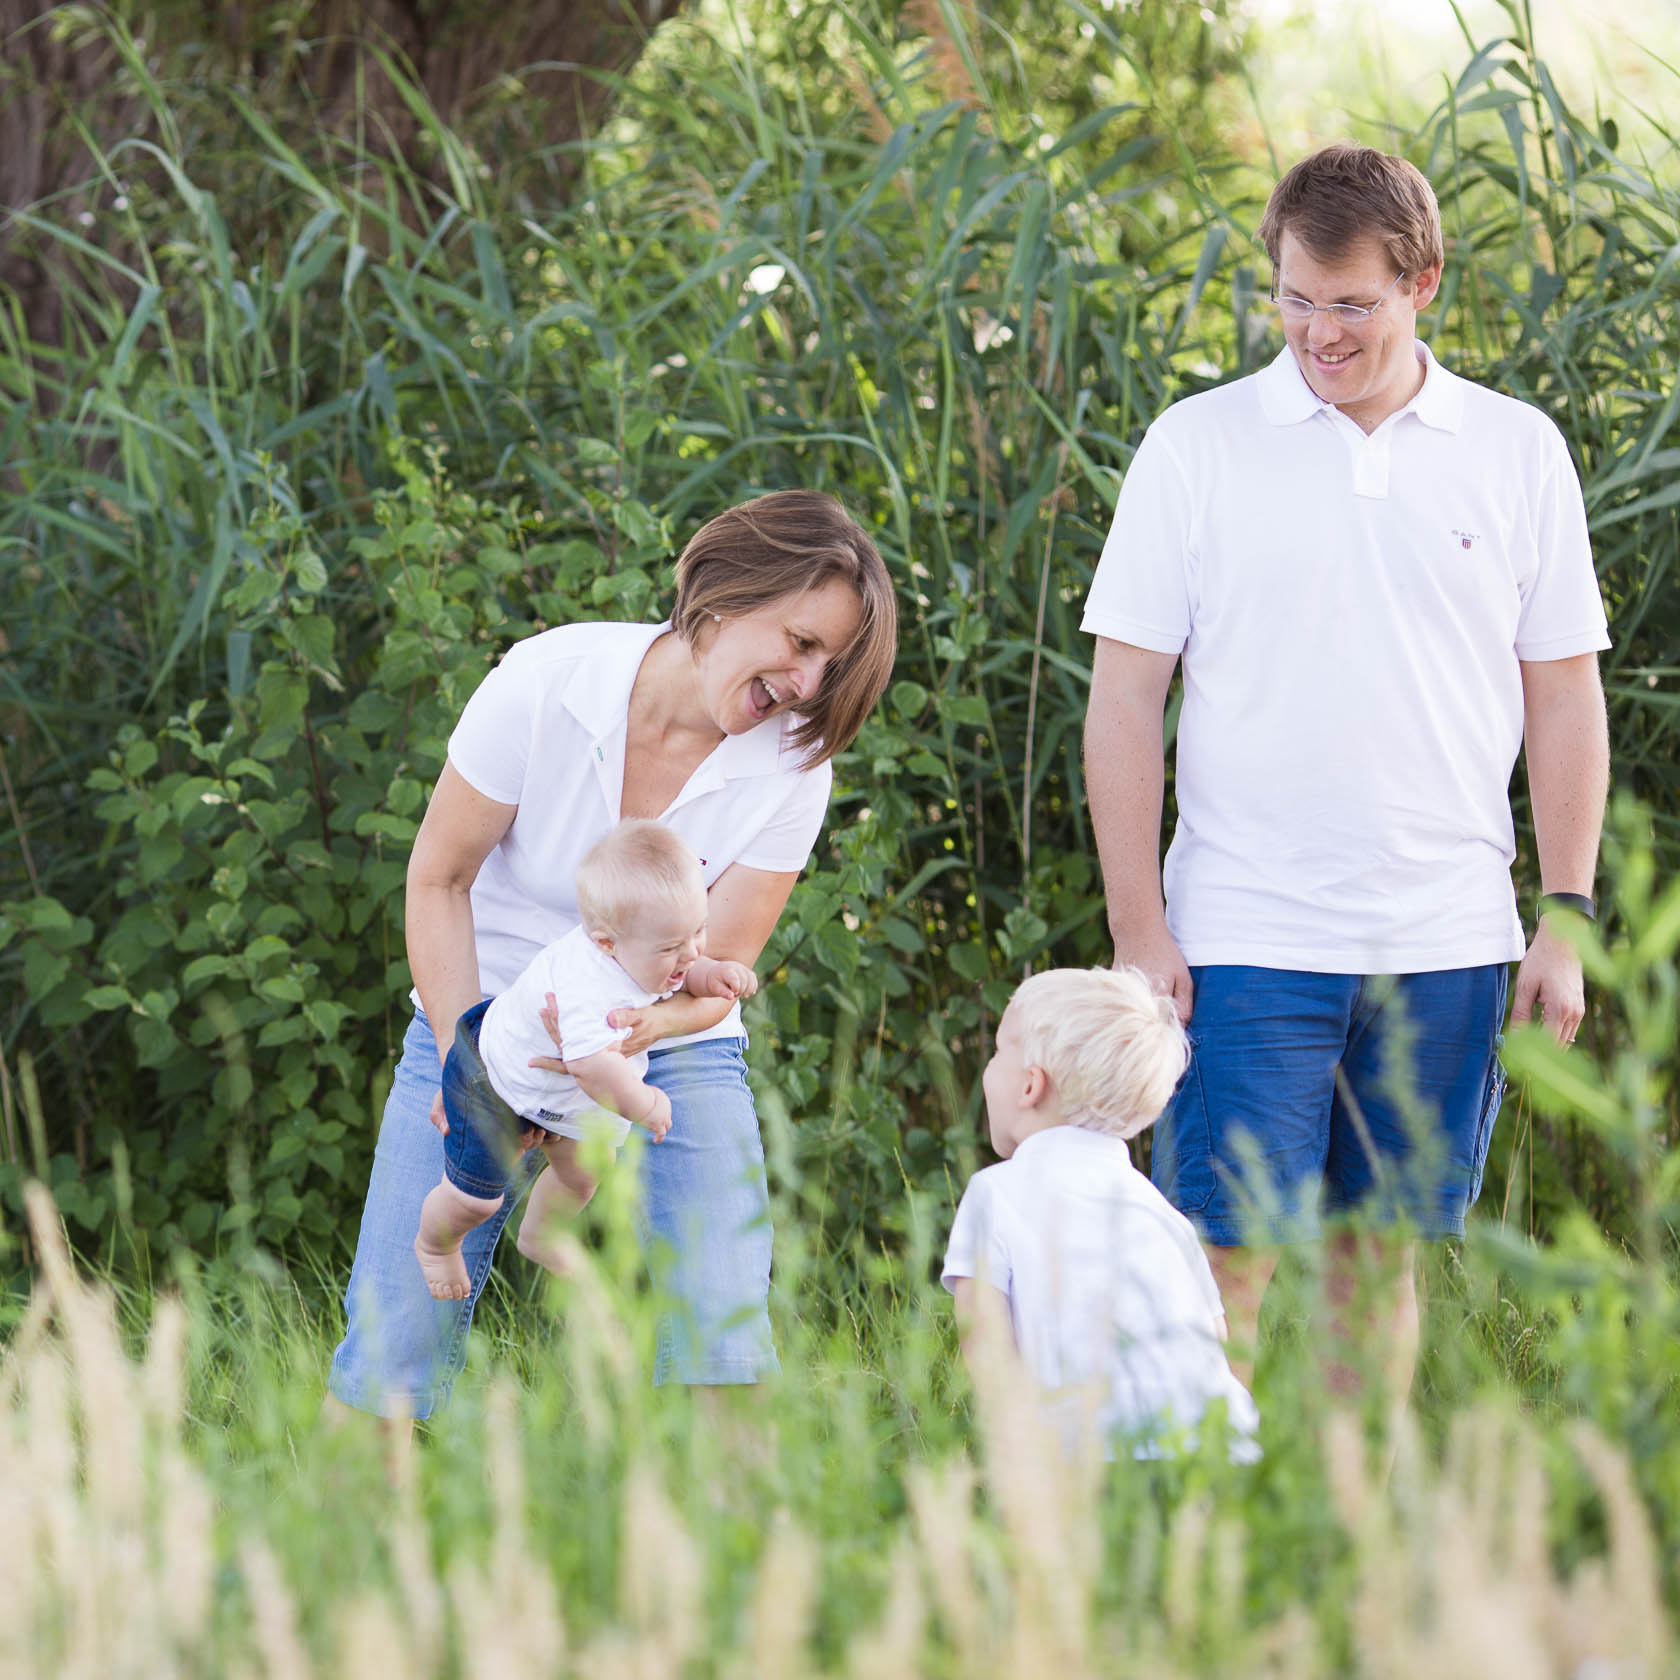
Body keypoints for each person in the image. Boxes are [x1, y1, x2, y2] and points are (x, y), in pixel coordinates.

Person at [1080, 143, 1610, 1400]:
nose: (1319, 332)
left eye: (1352, 303)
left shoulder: (1516, 449)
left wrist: (1567, 915)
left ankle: (1352, 1546)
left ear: (1423, 281)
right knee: (1229, 1259)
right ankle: (1219, 1537)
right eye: (1295, 299)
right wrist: (1139, 929)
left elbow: (1565, 693)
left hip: (1448, 938)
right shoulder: (1197, 446)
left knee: (1376, 1269)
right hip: (1244, 935)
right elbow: (1124, 698)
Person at [325, 488, 897, 1430]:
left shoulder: (797, 767)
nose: (806, 682)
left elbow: (723, 972)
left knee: (722, 1327)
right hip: (487, 1015)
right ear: (725, 591)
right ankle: (349, 1561)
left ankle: (734, 1568)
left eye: (829, 668)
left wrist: (630, 1036)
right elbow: (438, 880)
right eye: (801, 642)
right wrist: (472, 1055)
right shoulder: (547, 681)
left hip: (664, 1041)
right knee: (398, 1335)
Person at [412, 820, 759, 1301]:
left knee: (583, 1175)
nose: (691, 951)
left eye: (698, 932)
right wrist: (646, 1103)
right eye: (671, 947)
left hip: (564, 1092)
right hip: (497, 1080)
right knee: (475, 1197)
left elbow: (686, 970)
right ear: (606, 943)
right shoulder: (585, 986)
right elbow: (594, 1068)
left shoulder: (648, 947)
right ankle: (435, 1244)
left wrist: (715, 972)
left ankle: (540, 1234)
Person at [942, 967, 1259, 1462]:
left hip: (1088, 1456)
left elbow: (984, 1344)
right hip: (1212, 1450)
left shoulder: (995, 1193)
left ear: (1030, 1086)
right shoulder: (1160, 1211)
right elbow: (1216, 1337)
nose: (991, 1065)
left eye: (1001, 1051)